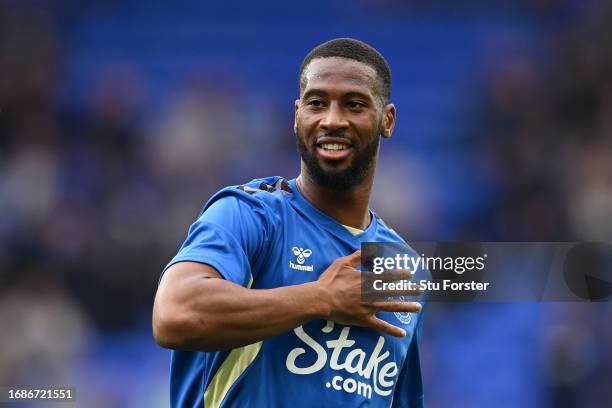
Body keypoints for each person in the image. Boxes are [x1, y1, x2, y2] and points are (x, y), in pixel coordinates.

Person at [153, 38, 427, 408]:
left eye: (354, 104)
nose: (332, 120)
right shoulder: (250, 215)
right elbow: (176, 314)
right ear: (297, 116)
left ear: (386, 120)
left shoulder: (403, 267)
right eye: (316, 103)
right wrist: (322, 297)